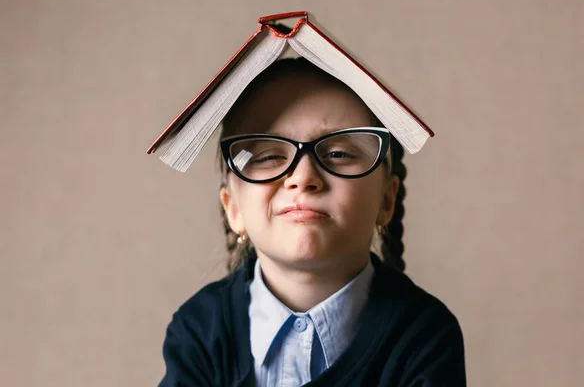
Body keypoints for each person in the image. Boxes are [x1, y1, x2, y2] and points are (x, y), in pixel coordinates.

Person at [158, 58, 466, 386]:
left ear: (386, 200)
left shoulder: (424, 337)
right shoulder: (199, 331)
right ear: (233, 208)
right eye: (268, 156)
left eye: (338, 154)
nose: (303, 178)